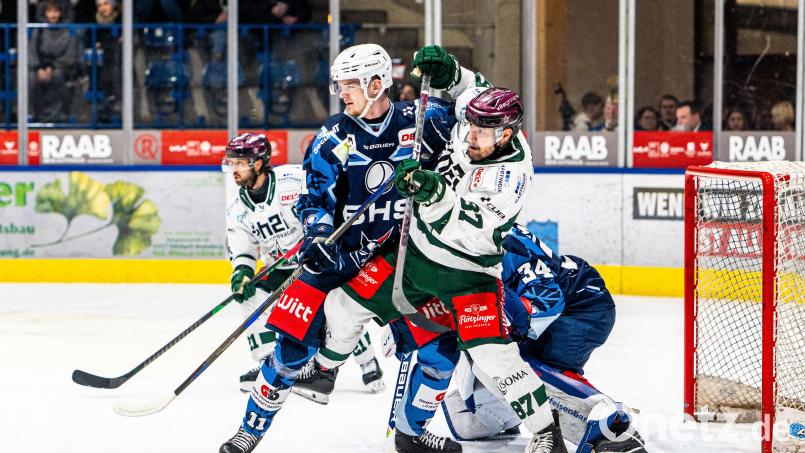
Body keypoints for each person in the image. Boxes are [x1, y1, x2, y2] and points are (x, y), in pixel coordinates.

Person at [301, 82, 568, 453]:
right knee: (344, 305)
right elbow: (471, 90)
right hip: (415, 255)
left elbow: (464, 226)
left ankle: (546, 432)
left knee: (492, 357)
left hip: (468, 273)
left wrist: (432, 191)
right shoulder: (476, 127)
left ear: (506, 135)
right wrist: (450, 73)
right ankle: (324, 370)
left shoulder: (511, 176)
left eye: (481, 132)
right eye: (470, 126)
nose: (470, 135)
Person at [218, 43, 458, 453]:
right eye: (339, 85)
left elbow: (483, 119)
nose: (341, 93)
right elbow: (313, 198)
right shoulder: (334, 136)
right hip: (338, 258)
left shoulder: (423, 119)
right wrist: (316, 235)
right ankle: (249, 432)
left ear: (376, 83)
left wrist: (454, 77)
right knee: (290, 351)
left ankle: (412, 433)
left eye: (349, 85)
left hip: (399, 261)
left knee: (441, 349)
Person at [222, 132, 384, 394]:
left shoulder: (291, 180)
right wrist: (242, 273)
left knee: (334, 310)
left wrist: (320, 234)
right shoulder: (237, 209)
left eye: (240, 163)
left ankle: (367, 360)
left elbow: (323, 198)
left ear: (259, 163)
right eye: (232, 163)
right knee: (250, 297)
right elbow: (243, 248)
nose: (234, 169)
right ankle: (269, 364)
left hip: (313, 260)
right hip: (279, 268)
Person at [30, 0, 80, 122]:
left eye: (56, 11)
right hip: (40, 66)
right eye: (49, 11)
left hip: (62, 67)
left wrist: (52, 67)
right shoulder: (38, 30)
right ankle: (33, 115)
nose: (53, 15)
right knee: (30, 77)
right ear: (45, 13)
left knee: (57, 75)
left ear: (61, 13)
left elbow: (71, 55)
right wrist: (39, 68)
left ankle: (62, 114)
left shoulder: (69, 30)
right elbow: (31, 52)